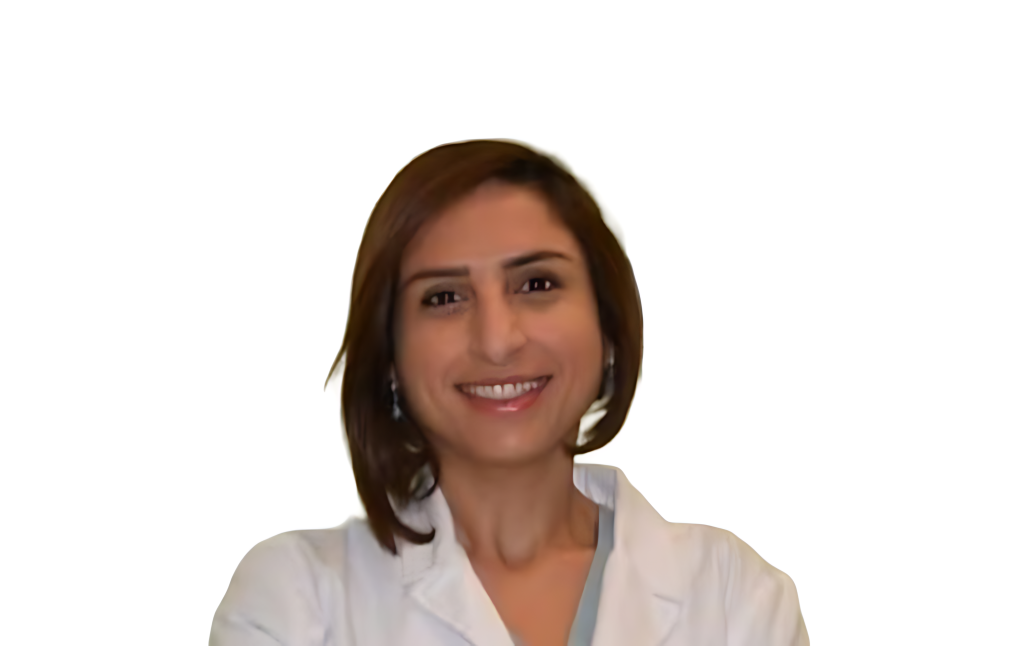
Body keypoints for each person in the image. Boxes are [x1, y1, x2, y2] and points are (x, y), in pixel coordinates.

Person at [210, 139, 810, 646]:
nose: (498, 340)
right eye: (444, 297)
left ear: (606, 327)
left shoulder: (735, 599)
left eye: (537, 284)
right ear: (389, 357)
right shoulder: (295, 601)